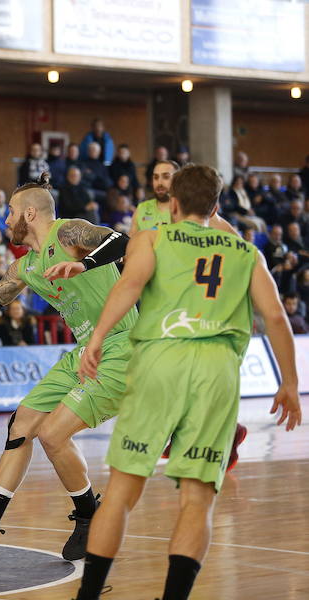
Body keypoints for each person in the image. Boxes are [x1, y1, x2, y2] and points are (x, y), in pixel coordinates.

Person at [0, 173, 250, 562]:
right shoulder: (26, 267)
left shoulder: (68, 233)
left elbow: (120, 242)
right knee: (22, 424)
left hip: (122, 346)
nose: (4, 221)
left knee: (53, 435)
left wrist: (83, 265)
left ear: (30, 213)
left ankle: (90, 515)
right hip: (85, 349)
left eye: (10, 212)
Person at [73, 164, 301, 600]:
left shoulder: (154, 237)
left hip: (160, 360)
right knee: (197, 500)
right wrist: (288, 383)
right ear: (217, 206)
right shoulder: (245, 251)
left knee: (121, 491)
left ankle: (88, 596)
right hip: (217, 372)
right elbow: (275, 317)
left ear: (172, 203)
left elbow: (128, 287)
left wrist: (97, 338)